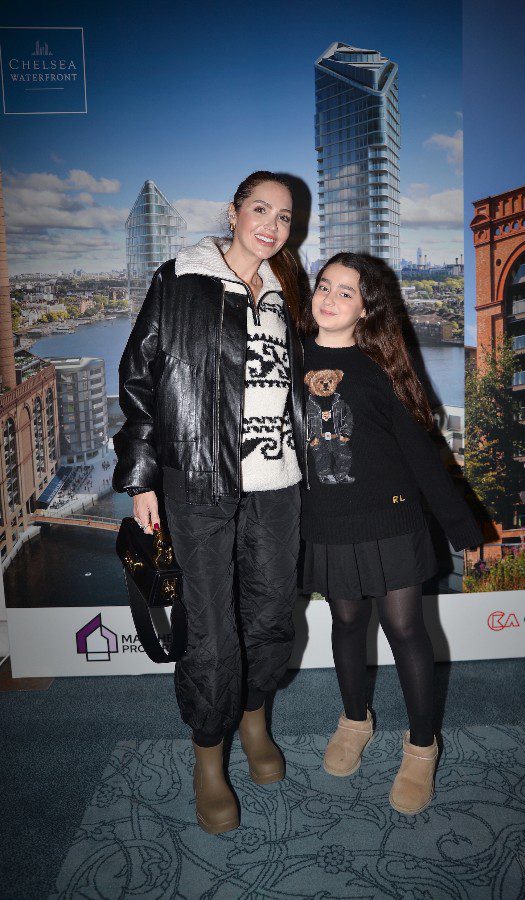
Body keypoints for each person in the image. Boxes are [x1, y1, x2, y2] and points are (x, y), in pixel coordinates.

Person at [112, 171, 307, 835]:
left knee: (272, 614)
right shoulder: (180, 279)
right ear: (233, 212)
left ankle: (253, 720)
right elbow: (139, 380)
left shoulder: (286, 290)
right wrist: (141, 478)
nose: (272, 225)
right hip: (198, 480)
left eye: (284, 216)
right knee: (211, 629)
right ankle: (208, 755)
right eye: (261, 209)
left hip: (277, 482)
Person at [299, 252, 484, 815]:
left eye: (346, 292)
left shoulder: (380, 366)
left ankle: (422, 745)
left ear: (366, 308)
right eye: (324, 286)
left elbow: (421, 453)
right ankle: (355, 720)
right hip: (327, 519)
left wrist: (460, 525)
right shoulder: (290, 358)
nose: (330, 298)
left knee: (405, 629)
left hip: (391, 519)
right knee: (347, 622)